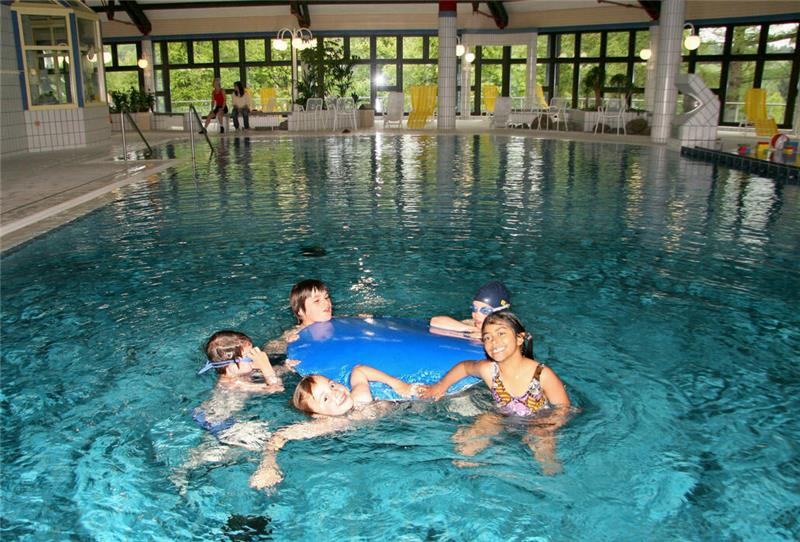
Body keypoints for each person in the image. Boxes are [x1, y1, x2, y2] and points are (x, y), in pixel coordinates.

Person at [420, 311, 570, 474]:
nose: (494, 342)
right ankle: (470, 477)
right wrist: (441, 386)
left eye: (501, 333)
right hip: (501, 415)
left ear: (520, 338)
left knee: (546, 457)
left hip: (538, 420)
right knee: (465, 444)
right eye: (487, 338)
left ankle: (550, 478)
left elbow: (564, 409)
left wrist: (546, 426)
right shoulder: (489, 370)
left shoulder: (542, 374)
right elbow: (464, 367)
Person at [249, 365, 426, 489]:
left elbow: (360, 370)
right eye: (325, 398)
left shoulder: (361, 398)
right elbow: (279, 436)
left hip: (404, 412)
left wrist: (396, 384)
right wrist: (267, 465)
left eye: (332, 384)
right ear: (318, 415)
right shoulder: (328, 425)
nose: (335, 392)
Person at [192, 330, 284, 445]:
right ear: (230, 365)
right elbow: (276, 388)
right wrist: (266, 367)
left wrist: (286, 367)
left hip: (214, 416)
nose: (254, 359)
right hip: (218, 423)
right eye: (249, 356)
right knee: (266, 439)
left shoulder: (237, 376)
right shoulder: (233, 384)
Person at [264, 279, 333, 355]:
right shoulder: (296, 332)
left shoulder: (340, 320)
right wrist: (286, 343)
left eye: (326, 297)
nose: (326, 302)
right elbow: (269, 349)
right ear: (300, 311)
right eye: (317, 301)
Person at [429, 280, 512, 338]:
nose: (476, 314)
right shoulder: (472, 324)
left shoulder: (509, 332)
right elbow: (435, 321)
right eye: (474, 308)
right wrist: (472, 329)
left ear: (500, 312)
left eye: (485, 310)